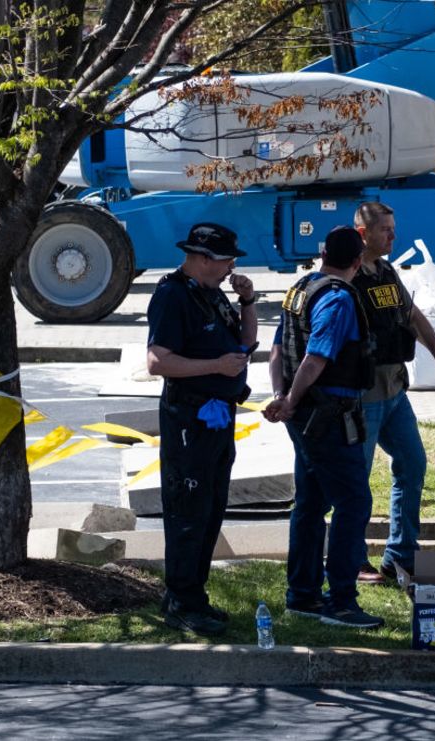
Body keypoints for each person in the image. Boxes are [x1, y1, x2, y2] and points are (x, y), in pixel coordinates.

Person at [264, 226, 384, 628]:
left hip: (303, 416)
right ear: (357, 261)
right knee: (353, 503)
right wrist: (291, 400)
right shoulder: (337, 299)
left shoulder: (300, 289)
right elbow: (315, 359)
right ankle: (342, 602)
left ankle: (302, 594)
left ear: (322, 255)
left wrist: (281, 395)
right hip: (327, 416)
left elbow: (278, 348)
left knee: (311, 503)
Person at [146, 223, 257, 637]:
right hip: (188, 417)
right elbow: (157, 362)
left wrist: (247, 301)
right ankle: (180, 600)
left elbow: (244, 343)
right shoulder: (173, 295)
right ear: (202, 258)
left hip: (218, 415)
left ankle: (195, 594)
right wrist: (215, 367)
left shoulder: (214, 294)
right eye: (227, 259)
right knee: (188, 510)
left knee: (211, 509)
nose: (231, 267)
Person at [351, 202, 435, 582]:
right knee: (356, 482)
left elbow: (412, 316)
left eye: (393, 229)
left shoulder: (385, 271)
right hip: (362, 396)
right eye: (386, 230)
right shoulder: (347, 276)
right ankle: (352, 559)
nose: (393, 237)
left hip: (395, 391)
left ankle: (400, 554)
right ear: (364, 234)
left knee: (412, 465)